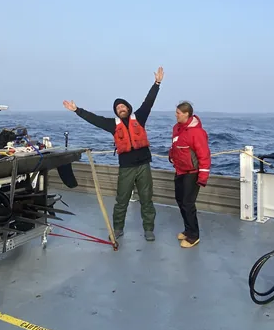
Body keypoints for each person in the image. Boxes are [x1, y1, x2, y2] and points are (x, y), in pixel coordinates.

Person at [63, 67, 163, 241]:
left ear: (128, 108)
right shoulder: (111, 124)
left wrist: (157, 83)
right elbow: (94, 119)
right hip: (126, 168)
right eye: (118, 107)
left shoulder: (139, 117)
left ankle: (148, 228)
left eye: (123, 106)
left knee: (146, 199)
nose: (121, 109)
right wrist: (77, 110)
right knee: (121, 200)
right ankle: (118, 228)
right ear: (116, 112)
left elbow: (149, 101)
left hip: (143, 166)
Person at [168, 101, 211, 248]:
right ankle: (187, 230)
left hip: (192, 173)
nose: (176, 115)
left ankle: (194, 235)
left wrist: (203, 177)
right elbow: (175, 145)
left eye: (178, 112)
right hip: (179, 171)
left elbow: (204, 155)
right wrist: (171, 156)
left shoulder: (197, 132)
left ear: (186, 114)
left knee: (188, 203)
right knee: (180, 201)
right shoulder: (177, 128)